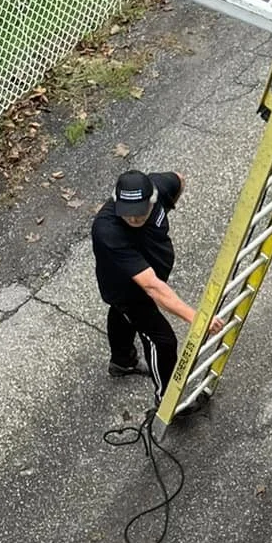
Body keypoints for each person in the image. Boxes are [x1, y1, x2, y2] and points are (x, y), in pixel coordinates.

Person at [90, 168, 201, 401]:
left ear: (153, 200)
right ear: (116, 201)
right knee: (162, 341)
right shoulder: (106, 229)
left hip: (146, 279)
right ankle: (167, 400)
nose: (133, 219)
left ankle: (122, 362)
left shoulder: (160, 189)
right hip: (128, 291)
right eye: (127, 213)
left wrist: (169, 207)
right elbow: (151, 286)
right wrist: (196, 318)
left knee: (121, 318)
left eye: (140, 213)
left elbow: (179, 179)